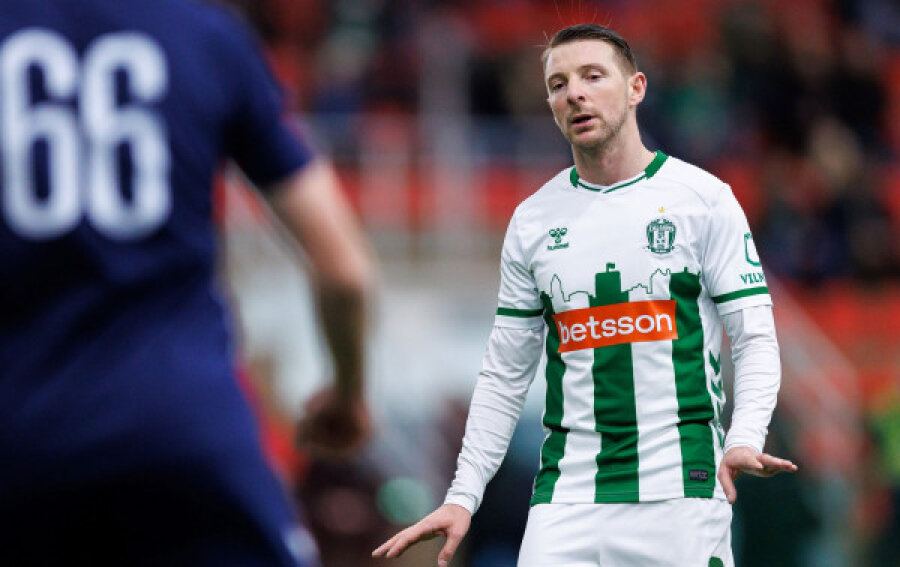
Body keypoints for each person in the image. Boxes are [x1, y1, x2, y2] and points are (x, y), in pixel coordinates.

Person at [373, 23, 796, 567]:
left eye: (593, 76)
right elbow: (505, 374)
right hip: (566, 498)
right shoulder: (533, 220)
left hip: (679, 491)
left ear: (636, 88)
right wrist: (463, 495)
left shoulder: (703, 200)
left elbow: (754, 335)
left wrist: (745, 435)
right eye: (558, 84)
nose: (574, 93)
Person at [0, 0, 373, 565]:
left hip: (22, 439)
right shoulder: (201, 32)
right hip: (182, 430)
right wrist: (348, 392)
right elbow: (345, 269)